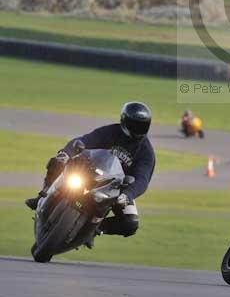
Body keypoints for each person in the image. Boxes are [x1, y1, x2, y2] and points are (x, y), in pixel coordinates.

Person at [25, 102, 156, 242]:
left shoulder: (146, 153)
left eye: (142, 125)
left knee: (130, 224)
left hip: (115, 188)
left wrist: (127, 195)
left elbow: (142, 179)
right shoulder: (111, 131)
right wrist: (66, 153)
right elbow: (85, 140)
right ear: (124, 121)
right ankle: (43, 194)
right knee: (57, 162)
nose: (138, 130)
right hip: (90, 170)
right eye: (135, 125)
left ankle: (93, 230)